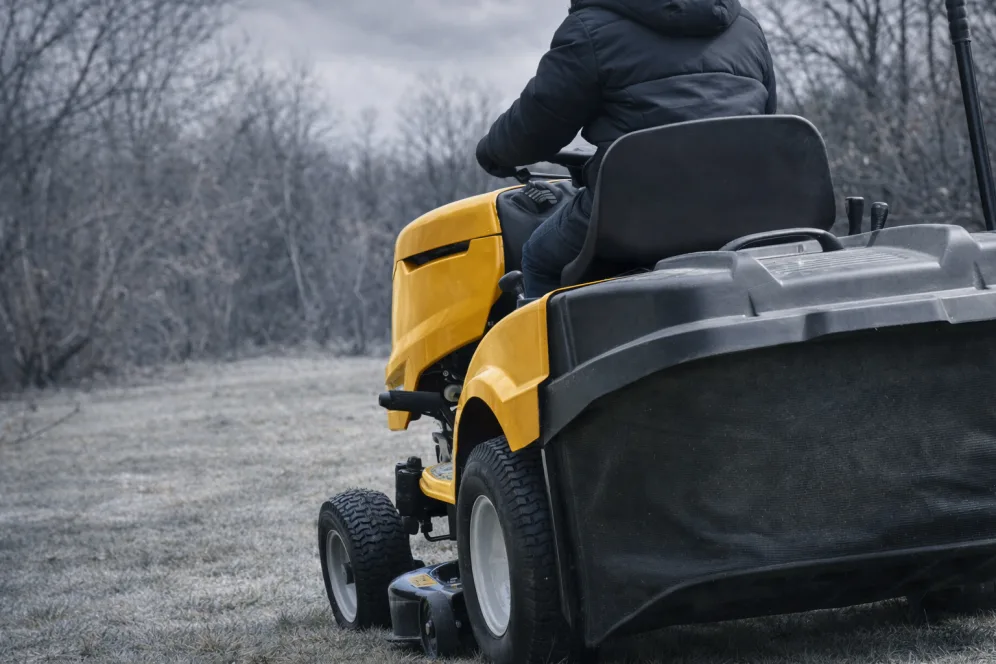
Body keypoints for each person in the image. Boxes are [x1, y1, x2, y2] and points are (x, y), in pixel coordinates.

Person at [476, 0, 777, 299]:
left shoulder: (590, 29)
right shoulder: (746, 26)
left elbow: (535, 127)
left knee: (539, 258)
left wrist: (494, 152)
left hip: (637, 211)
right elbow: (766, 119)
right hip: (745, 208)